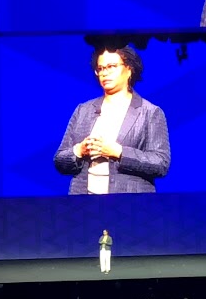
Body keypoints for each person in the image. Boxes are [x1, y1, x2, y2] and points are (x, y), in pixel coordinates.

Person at [52, 45, 172, 197]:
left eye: (111, 67)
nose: (104, 73)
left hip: (129, 206)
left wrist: (118, 152)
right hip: (83, 205)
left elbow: (161, 163)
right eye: (100, 68)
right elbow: (60, 160)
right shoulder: (84, 110)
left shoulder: (150, 112)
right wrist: (79, 150)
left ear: (129, 69)